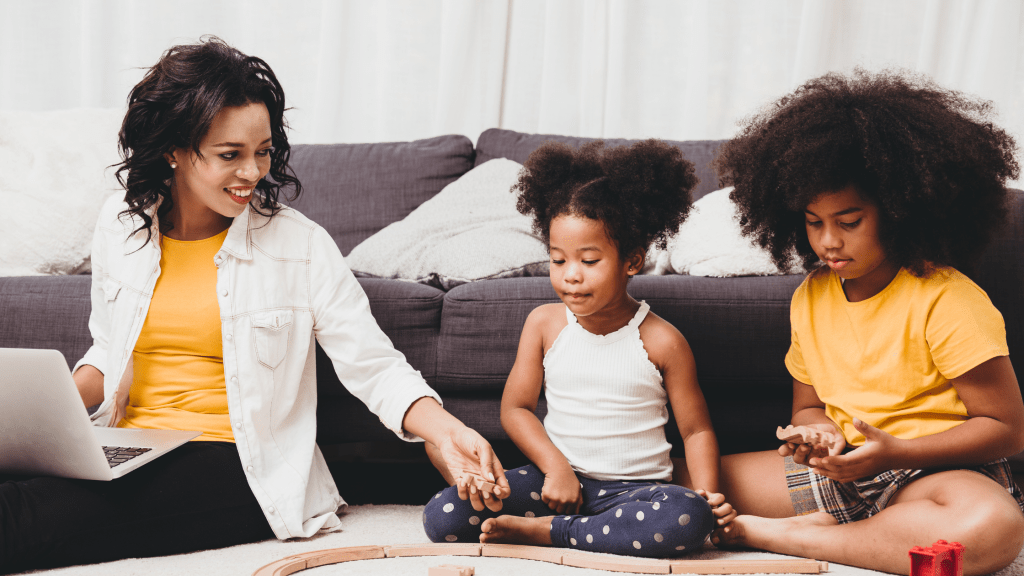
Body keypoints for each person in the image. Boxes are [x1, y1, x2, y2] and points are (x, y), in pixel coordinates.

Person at [0, 37, 508, 573]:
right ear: (173, 149)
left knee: (20, 519)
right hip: (125, 442)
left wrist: (448, 431)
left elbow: (374, 365)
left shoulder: (298, 244)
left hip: (237, 463)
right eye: (230, 155)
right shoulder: (120, 224)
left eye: (263, 150)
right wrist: (39, 418)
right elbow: (109, 348)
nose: (253, 172)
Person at [692, 69, 1024, 575]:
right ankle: (855, 535)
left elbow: (1008, 429)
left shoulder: (948, 298)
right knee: (676, 479)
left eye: (848, 222)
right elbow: (808, 408)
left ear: (897, 209)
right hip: (846, 470)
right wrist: (821, 438)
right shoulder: (811, 296)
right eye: (813, 222)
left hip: (937, 474)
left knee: (990, 527)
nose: (828, 242)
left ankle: (799, 540)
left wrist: (896, 453)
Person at [422, 139, 736, 558]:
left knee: (687, 518)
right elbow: (515, 410)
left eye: (589, 261)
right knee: (442, 517)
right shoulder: (544, 324)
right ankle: (576, 526)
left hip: (637, 493)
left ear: (632, 260)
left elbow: (696, 430)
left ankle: (553, 533)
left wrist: (707, 494)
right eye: (558, 260)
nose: (571, 276)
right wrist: (556, 469)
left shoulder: (663, 340)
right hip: (554, 482)